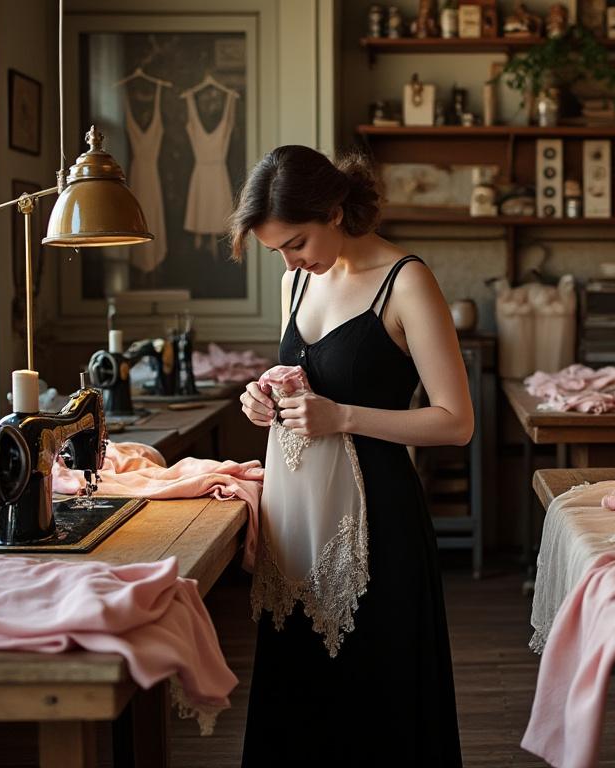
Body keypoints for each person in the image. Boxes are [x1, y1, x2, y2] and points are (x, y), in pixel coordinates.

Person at [230, 145, 470, 766]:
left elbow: (456, 422)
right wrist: (264, 398)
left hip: (379, 525)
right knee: (301, 697)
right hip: (297, 522)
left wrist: (342, 417)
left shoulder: (406, 281)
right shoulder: (296, 282)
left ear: (336, 209)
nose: (289, 261)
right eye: (279, 250)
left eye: (297, 242)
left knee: (376, 702)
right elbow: (302, 379)